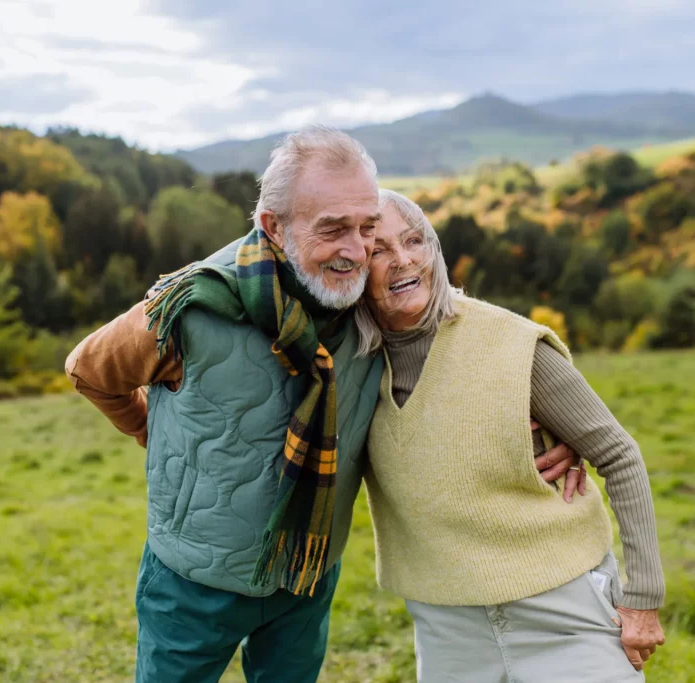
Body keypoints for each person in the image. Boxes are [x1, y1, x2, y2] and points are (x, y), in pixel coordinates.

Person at [65, 127, 584, 682]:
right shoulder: (190, 307)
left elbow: (454, 349)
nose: (356, 250)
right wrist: (149, 429)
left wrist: (554, 426)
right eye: (332, 229)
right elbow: (89, 370)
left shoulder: (368, 302)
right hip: (194, 583)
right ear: (274, 227)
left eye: (366, 227)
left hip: (305, 576)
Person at [356, 189, 667, 682]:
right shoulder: (350, 364)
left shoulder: (513, 346)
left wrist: (644, 600)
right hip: (447, 630)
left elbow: (620, 457)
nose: (403, 260)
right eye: (378, 250)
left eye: (414, 240)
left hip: (563, 613)